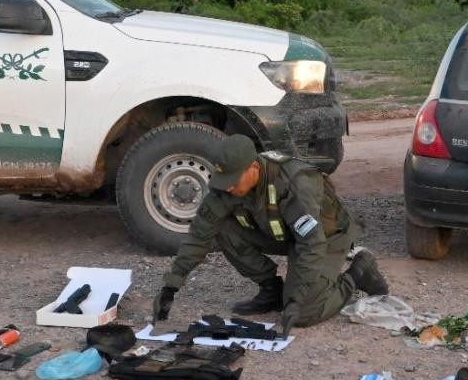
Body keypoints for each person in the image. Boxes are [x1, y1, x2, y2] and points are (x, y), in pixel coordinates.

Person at [152, 134, 388, 335]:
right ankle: (271, 290)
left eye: (234, 181)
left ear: (254, 167)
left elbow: (312, 243)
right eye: (224, 181)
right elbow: (199, 236)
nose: (229, 188)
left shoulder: (293, 182)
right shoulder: (226, 187)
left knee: (304, 313)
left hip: (326, 238)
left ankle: (358, 273)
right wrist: (171, 286)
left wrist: (297, 299)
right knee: (222, 228)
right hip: (285, 235)